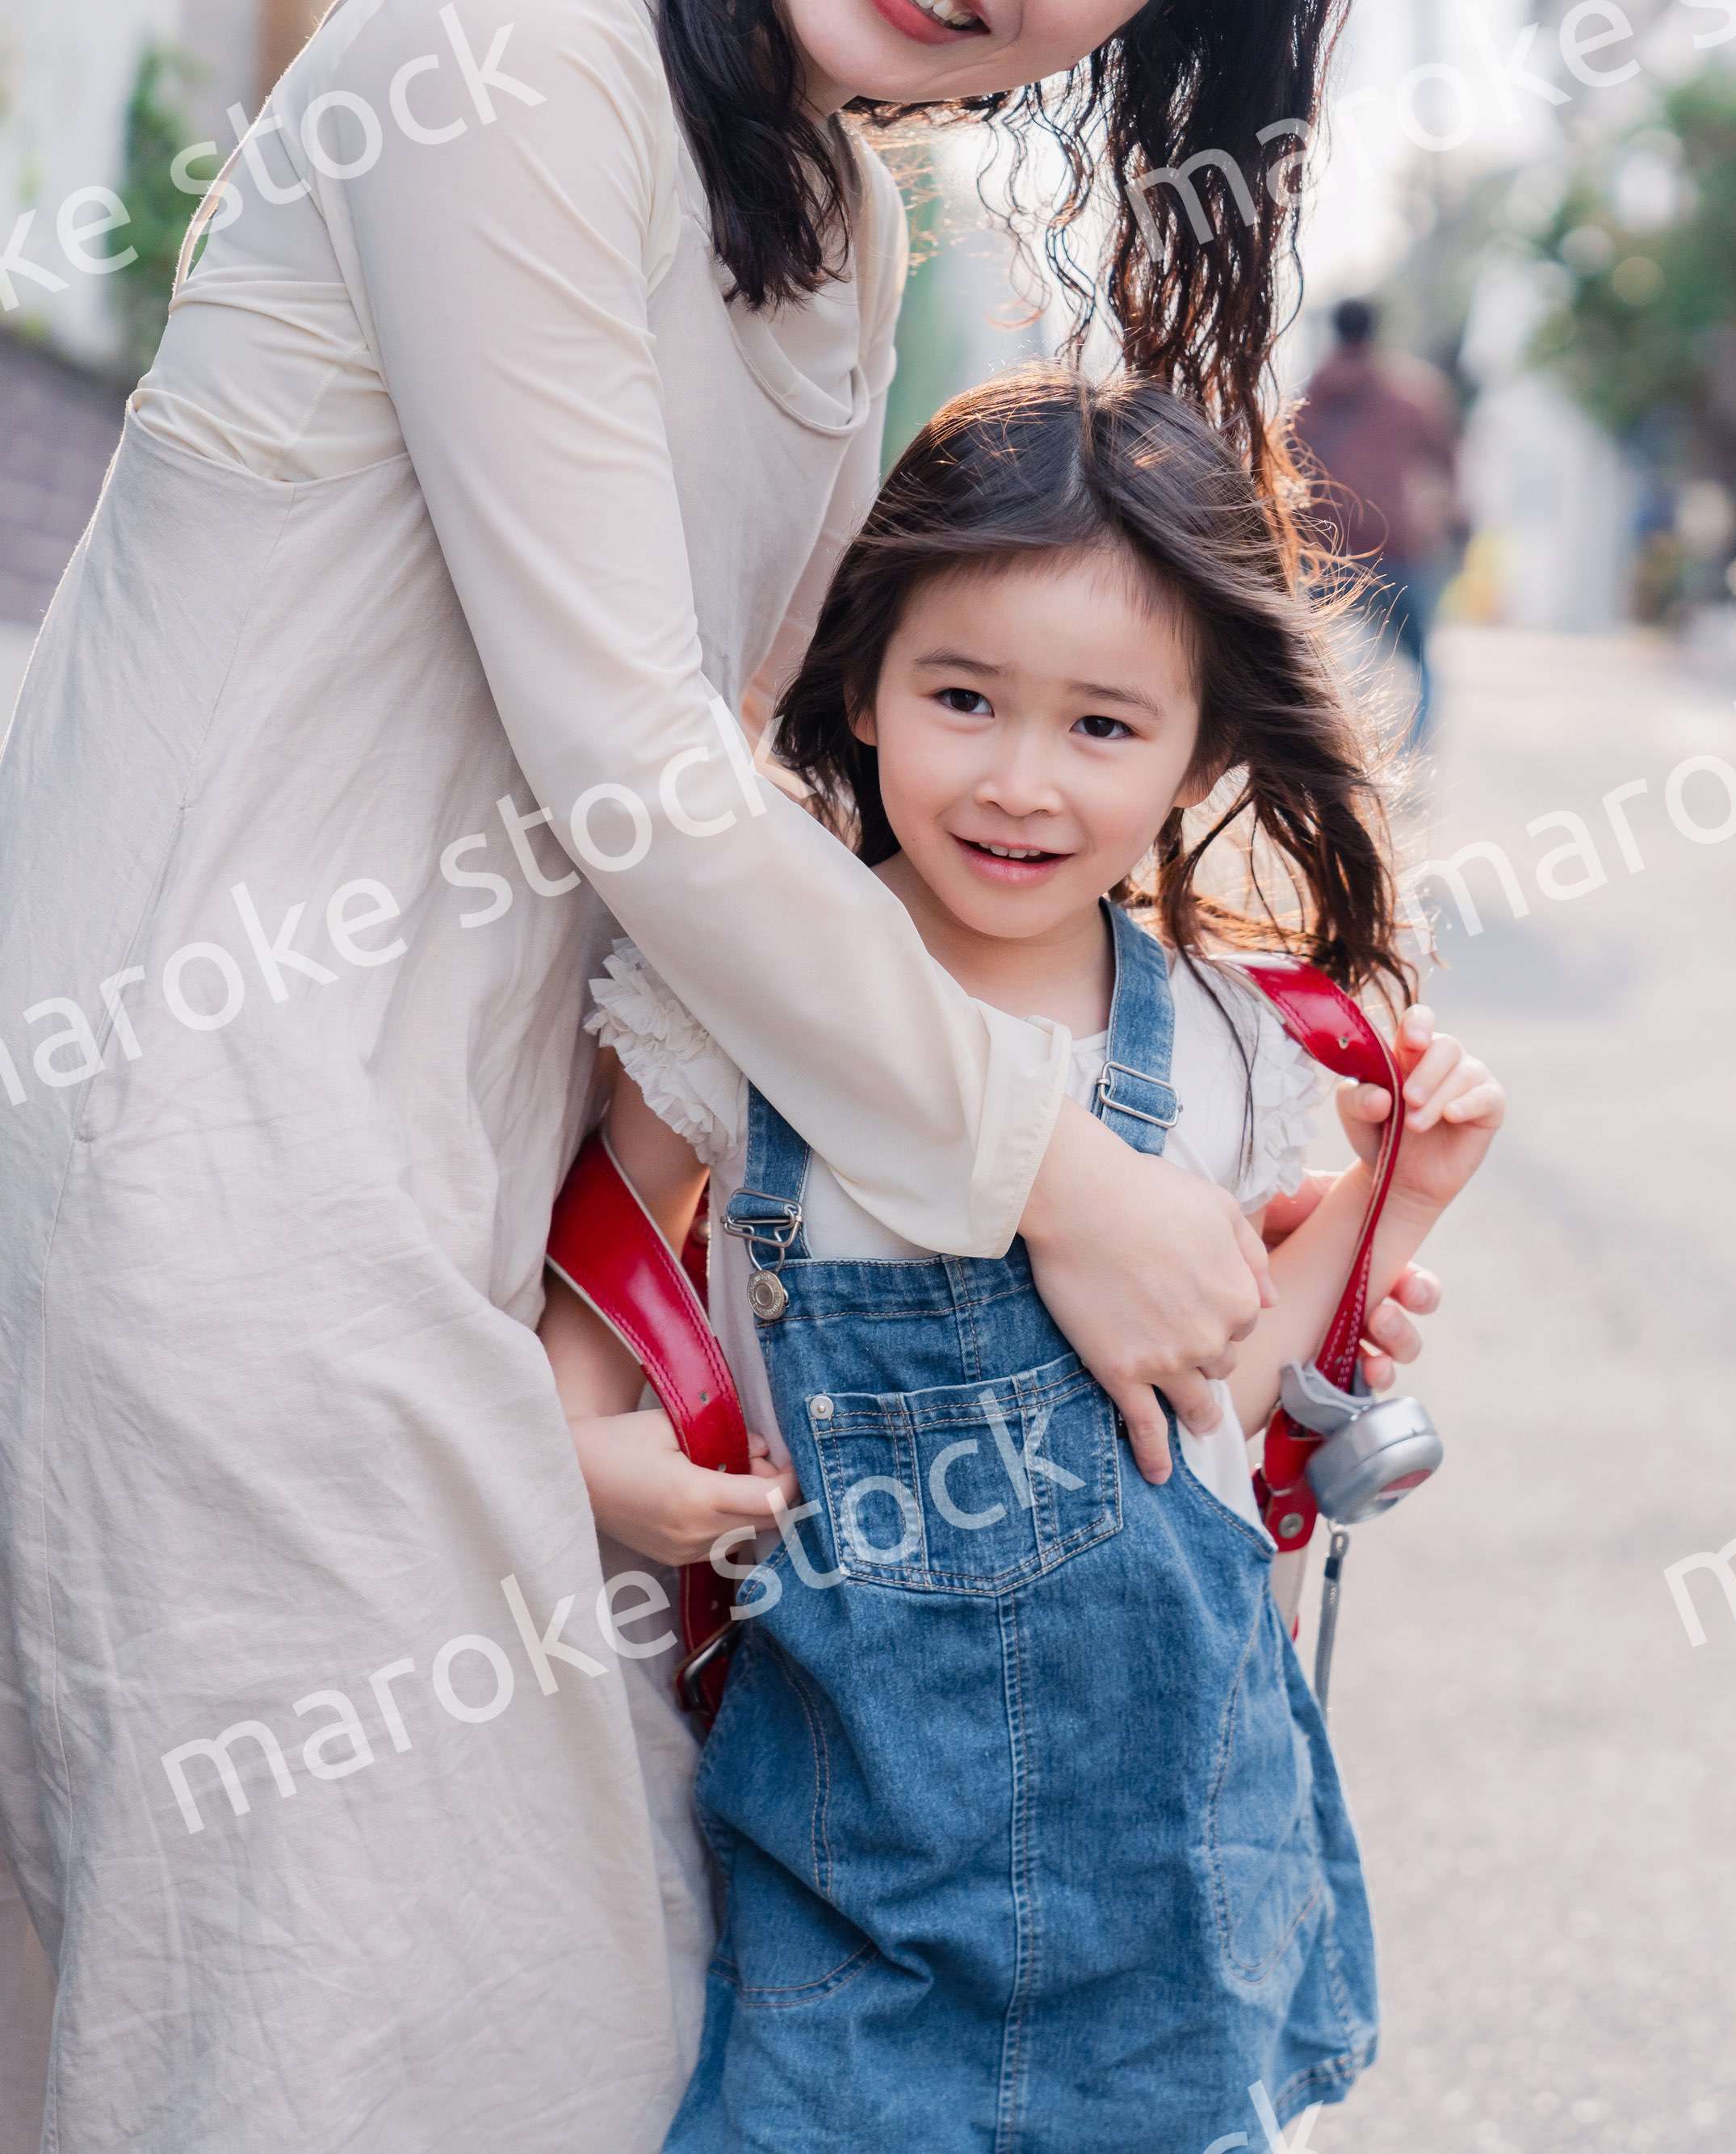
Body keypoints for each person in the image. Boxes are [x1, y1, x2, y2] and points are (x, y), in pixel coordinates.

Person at [0, 2, 1432, 2147]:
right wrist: (1058, 1164)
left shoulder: (836, 206)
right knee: (348, 2021)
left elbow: (763, 808)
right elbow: (639, 768)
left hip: (466, 1221)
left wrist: (1186, 1194)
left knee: (429, 1999)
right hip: (212, 1160)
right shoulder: (501, 54)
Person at [544, 367, 1502, 2151]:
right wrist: (600, 1462)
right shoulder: (739, 1003)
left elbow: (1212, 1400)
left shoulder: (1228, 1045)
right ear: (864, 682)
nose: (1014, 781)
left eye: (1099, 727)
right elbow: (584, 1336)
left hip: (1171, 1877)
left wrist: (1399, 1200)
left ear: (1201, 746)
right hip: (849, 1887)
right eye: (962, 695)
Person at [1293, 297, 1461, 749]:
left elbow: (1280, 469)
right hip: (1394, 547)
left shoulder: (1307, 400)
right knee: (1419, 659)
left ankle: (1312, 755)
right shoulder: (1410, 398)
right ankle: (1409, 763)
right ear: (1376, 332)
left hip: (1323, 547)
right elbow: (1446, 462)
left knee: (1303, 658)